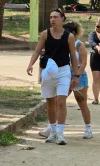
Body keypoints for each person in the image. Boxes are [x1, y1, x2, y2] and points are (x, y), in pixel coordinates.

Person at [26, 8, 73, 144]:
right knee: (50, 103)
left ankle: (60, 133)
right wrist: (30, 64)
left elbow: (73, 57)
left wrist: (75, 75)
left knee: (61, 101)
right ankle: (52, 131)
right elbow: (37, 51)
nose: (52, 19)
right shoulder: (45, 34)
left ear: (62, 18)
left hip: (63, 71)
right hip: (49, 71)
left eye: (55, 17)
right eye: (51, 17)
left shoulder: (69, 36)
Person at [64, 21, 93, 139]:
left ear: (73, 33)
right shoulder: (64, 44)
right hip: (65, 74)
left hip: (78, 75)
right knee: (59, 101)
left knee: (82, 102)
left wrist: (76, 76)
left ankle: (88, 128)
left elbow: (84, 63)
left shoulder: (79, 45)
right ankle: (53, 127)